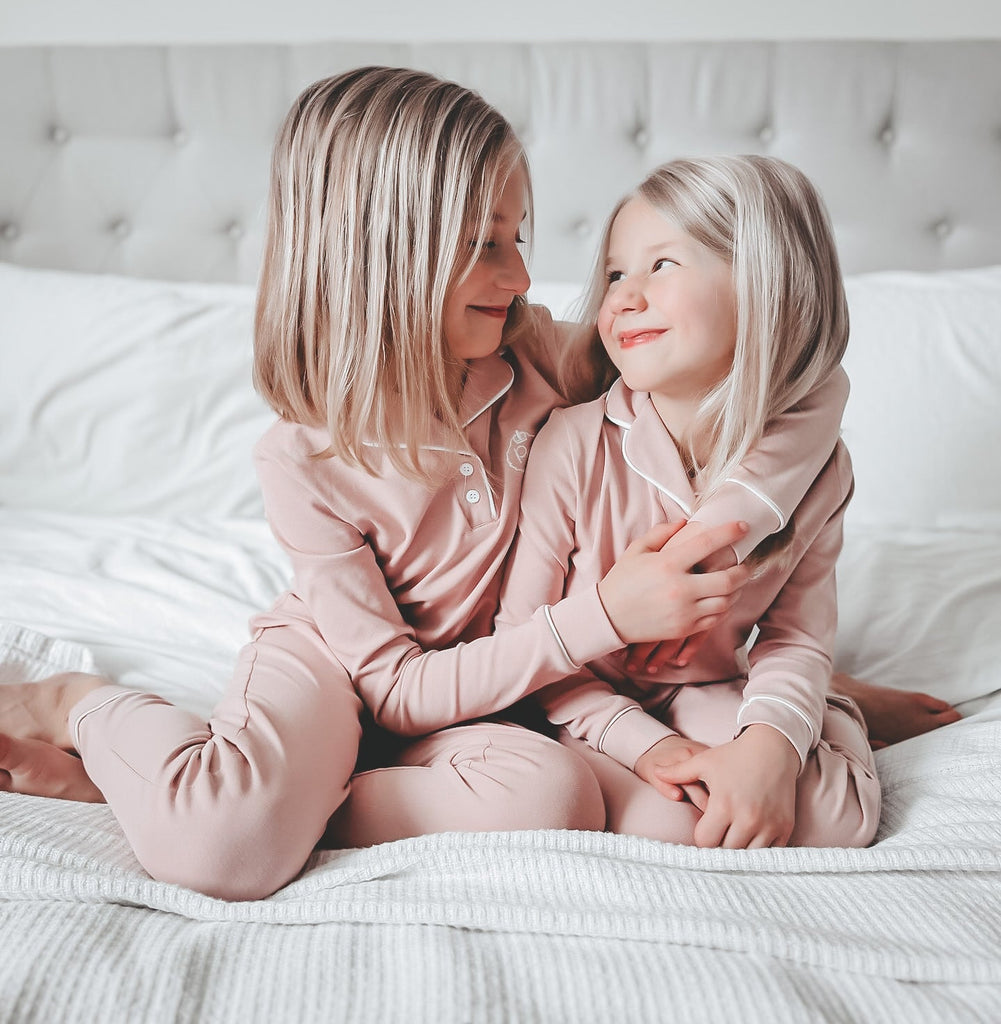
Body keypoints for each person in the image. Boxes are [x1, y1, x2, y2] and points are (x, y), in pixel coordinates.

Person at [0, 71, 954, 894]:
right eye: (483, 244)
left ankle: (808, 696)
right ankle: (83, 709)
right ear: (380, 256)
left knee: (553, 794)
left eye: (518, 236)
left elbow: (785, 380)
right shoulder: (301, 461)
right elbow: (399, 685)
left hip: (526, 669)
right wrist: (608, 619)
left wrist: (737, 527)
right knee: (225, 854)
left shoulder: (537, 354)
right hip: (365, 664)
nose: (523, 273)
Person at [494, 155, 892, 848]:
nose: (622, 297)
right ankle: (831, 704)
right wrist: (642, 743)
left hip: (706, 685)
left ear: (764, 286)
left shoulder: (815, 466)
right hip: (581, 701)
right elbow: (525, 644)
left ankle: (837, 708)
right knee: (675, 821)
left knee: (835, 818)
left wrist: (769, 743)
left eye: (662, 265)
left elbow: (793, 636)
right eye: (615, 273)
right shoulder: (571, 444)